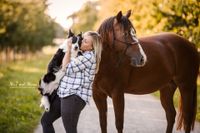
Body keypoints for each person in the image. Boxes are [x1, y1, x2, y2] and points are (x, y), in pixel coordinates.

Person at [40, 31, 102, 133]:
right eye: (83, 39)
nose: (81, 42)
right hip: (63, 93)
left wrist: (68, 49)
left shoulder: (89, 57)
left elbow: (66, 68)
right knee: (46, 121)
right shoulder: (80, 53)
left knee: (70, 130)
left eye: (85, 42)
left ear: (91, 47)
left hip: (74, 97)